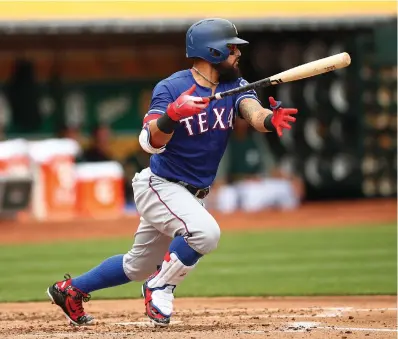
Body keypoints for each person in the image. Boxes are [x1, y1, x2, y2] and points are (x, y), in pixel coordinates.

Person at [46, 18, 298, 327]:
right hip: (160, 185)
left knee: (137, 265)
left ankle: (71, 290)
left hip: (191, 193)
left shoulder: (236, 86)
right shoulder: (172, 87)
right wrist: (172, 115)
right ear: (213, 51)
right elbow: (151, 140)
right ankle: (159, 286)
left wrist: (270, 119)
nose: (238, 54)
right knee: (206, 233)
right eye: (232, 48)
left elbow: (253, 113)